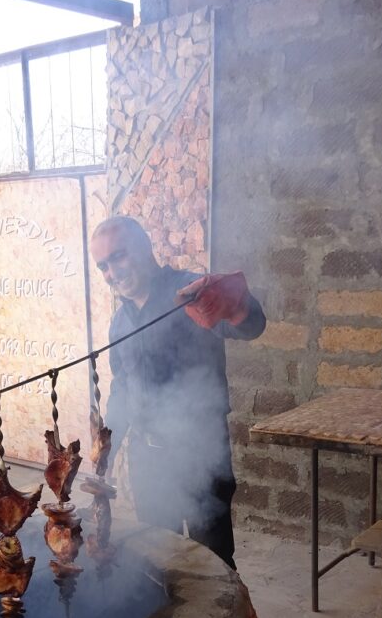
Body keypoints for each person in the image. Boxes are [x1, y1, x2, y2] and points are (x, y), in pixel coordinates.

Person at [90, 215, 266, 569]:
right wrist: (105, 451)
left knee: (213, 564)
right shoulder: (120, 322)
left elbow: (252, 327)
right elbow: (122, 388)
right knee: (159, 559)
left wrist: (237, 306)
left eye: (118, 257)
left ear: (144, 247)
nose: (113, 273)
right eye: (103, 266)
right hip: (148, 462)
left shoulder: (191, 292)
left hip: (201, 454)